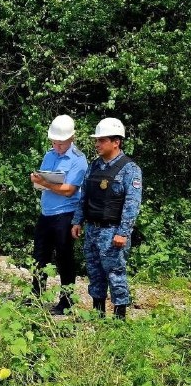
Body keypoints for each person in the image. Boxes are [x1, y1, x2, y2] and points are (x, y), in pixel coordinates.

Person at [71, 118, 143, 320]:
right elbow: (84, 196)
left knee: (116, 274)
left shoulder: (129, 169)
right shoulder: (94, 166)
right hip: (92, 230)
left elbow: (132, 204)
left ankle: (119, 318)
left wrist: (123, 233)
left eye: (102, 140)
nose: (97, 144)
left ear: (116, 142)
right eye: (97, 140)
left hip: (113, 231)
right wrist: (77, 221)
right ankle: (98, 315)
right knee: (94, 273)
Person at [29, 115, 88, 315]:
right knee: (39, 256)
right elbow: (44, 179)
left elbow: (69, 190)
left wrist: (45, 183)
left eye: (61, 143)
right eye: (54, 142)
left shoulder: (78, 160)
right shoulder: (49, 155)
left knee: (64, 258)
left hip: (65, 214)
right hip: (46, 212)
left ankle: (66, 302)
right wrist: (38, 180)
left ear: (72, 138)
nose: (57, 147)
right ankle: (36, 295)